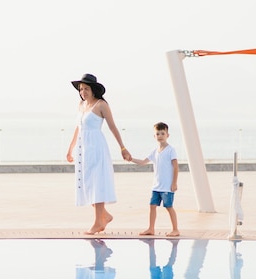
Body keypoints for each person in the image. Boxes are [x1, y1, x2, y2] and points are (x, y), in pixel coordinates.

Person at [66, 74, 132, 235]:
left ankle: (98, 222)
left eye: (86, 89)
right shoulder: (81, 105)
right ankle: (105, 216)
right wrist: (70, 148)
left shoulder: (101, 105)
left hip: (96, 147)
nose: (83, 92)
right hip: (83, 149)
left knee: (96, 183)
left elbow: (112, 127)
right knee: (86, 183)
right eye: (81, 89)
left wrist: (123, 148)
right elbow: (78, 127)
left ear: (93, 89)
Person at [130, 122, 180, 237]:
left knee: (169, 207)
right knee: (152, 206)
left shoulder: (171, 150)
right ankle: (151, 228)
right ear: (154, 136)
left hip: (167, 186)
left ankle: (175, 229)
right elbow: (143, 162)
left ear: (168, 135)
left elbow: (176, 166)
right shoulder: (154, 151)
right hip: (156, 186)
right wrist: (130, 158)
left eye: (163, 133)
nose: (160, 136)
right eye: (158, 134)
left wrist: (174, 183)